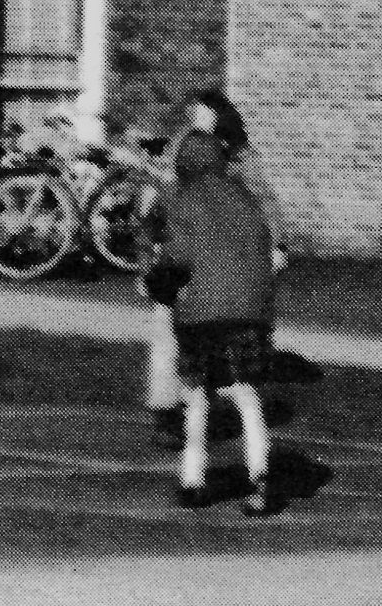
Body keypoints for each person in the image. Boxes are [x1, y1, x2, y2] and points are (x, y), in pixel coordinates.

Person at [149, 127, 282, 515]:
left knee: (198, 395)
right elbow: (263, 246)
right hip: (251, 310)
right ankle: (261, 476)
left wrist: (159, 283)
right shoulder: (245, 197)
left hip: (201, 311)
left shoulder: (182, 199)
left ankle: (193, 477)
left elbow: (178, 256)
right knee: (246, 393)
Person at [145, 88, 284, 437]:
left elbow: (264, 202)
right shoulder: (185, 150)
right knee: (168, 332)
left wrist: (277, 242)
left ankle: (196, 411)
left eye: (204, 116)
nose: (197, 123)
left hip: (222, 258)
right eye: (194, 117)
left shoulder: (240, 160)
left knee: (207, 333)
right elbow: (164, 195)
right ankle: (169, 409)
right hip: (184, 247)